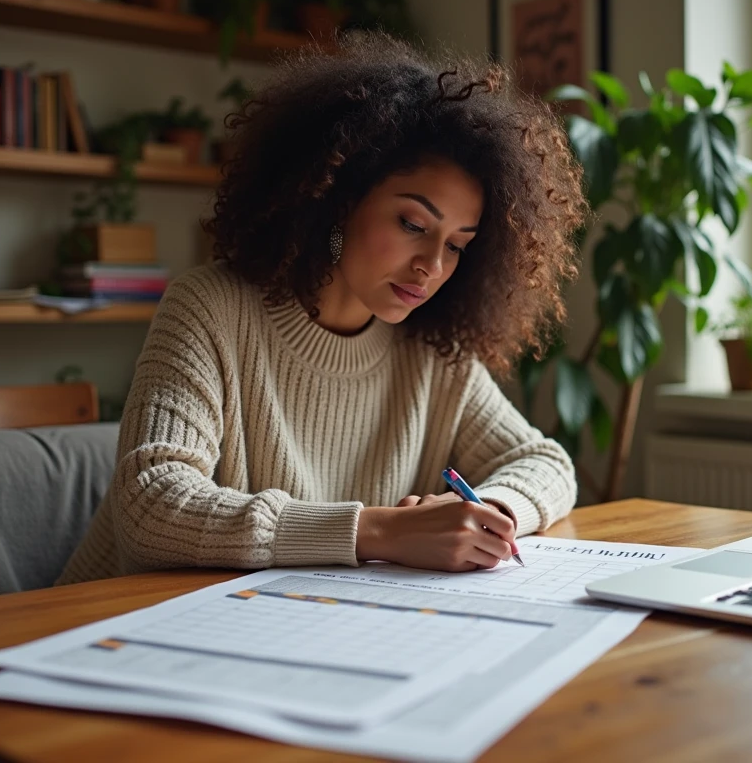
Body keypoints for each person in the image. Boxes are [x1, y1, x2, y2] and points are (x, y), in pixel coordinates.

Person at [57, 34, 587, 585]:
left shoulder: (430, 351)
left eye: (456, 244)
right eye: (412, 224)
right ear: (338, 197)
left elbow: (547, 464)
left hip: (288, 624)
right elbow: (151, 503)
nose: (432, 265)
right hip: (107, 622)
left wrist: (488, 516)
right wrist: (380, 532)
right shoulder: (211, 309)